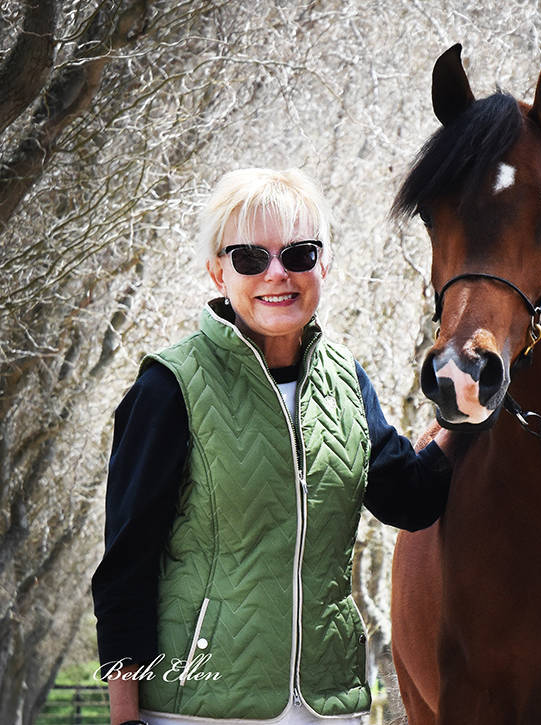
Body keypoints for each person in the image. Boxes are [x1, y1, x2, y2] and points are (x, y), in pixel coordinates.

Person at [92, 168, 464, 725]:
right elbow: (126, 568)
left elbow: (408, 500)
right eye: (249, 258)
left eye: (298, 254)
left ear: (324, 264)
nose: (276, 274)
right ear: (218, 271)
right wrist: (125, 719)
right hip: (195, 708)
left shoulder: (348, 382)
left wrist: (464, 415)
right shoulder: (168, 387)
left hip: (331, 707)